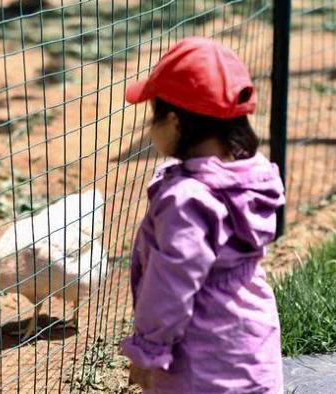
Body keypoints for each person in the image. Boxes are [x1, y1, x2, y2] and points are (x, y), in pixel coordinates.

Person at [120, 37, 285, 393]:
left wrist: (147, 352)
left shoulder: (188, 200)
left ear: (175, 122)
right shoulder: (252, 178)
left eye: (154, 116)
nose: (150, 129)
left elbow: (170, 285)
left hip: (203, 362)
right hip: (252, 349)